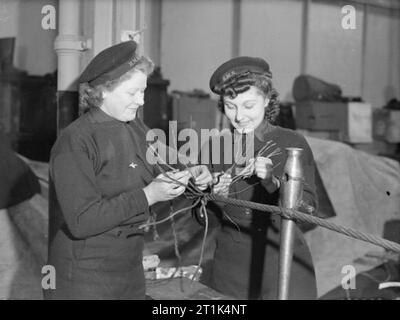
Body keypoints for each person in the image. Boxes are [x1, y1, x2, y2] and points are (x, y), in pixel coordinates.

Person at [45, 41, 212, 300]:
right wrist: (148, 196)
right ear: (103, 92)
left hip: (128, 272)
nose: (141, 100)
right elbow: (82, 221)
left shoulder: (133, 126)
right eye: (132, 93)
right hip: (84, 279)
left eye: (143, 91)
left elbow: (164, 155)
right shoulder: (74, 142)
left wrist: (193, 170)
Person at [197, 56, 319, 300]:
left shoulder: (292, 143)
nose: (239, 116)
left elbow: (310, 212)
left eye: (249, 105)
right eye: (231, 106)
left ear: (267, 100)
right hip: (231, 269)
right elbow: (202, 219)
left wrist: (273, 183)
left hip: (283, 261)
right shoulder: (214, 147)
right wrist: (215, 198)